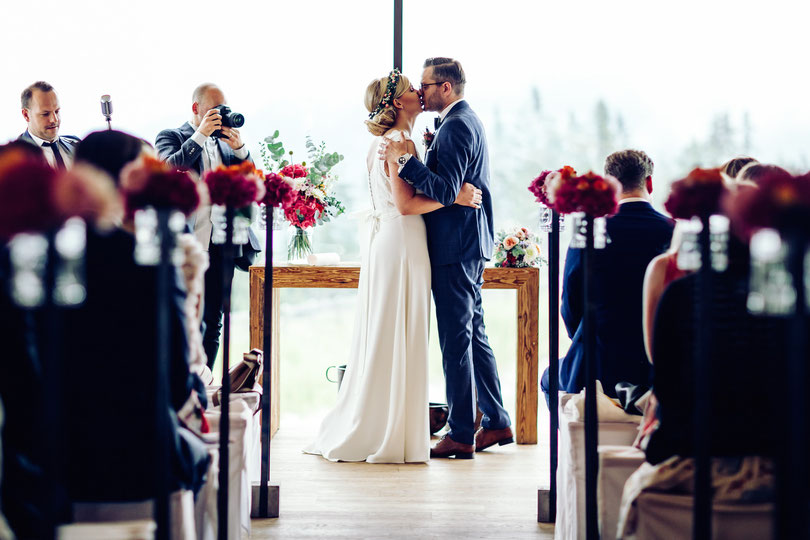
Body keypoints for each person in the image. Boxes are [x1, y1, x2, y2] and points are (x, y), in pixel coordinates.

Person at [304, 69, 482, 463]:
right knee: (401, 330)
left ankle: (385, 419)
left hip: (391, 241)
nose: (419, 92)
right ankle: (390, 429)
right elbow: (404, 205)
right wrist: (457, 198)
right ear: (399, 102)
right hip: (403, 241)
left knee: (389, 330)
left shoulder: (386, 143)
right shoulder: (399, 143)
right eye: (411, 90)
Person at [63, 130, 210, 501]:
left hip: (45, 462)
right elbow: (177, 386)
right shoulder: (150, 262)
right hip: (137, 461)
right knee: (200, 453)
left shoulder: (40, 257)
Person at [380, 58, 512, 459]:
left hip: (456, 246)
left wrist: (406, 162)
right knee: (474, 334)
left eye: (426, 85)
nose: (420, 91)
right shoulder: (463, 120)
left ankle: (460, 433)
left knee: (456, 340)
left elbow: (445, 188)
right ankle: (496, 421)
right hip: (466, 243)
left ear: (446, 89)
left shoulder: (455, 125)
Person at [542, 149, 674, 403]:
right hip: (657, 368)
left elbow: (570, 303)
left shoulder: (590, 231)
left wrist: (586, 336)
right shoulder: (674, 231)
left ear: (608, 186)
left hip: (597, 366)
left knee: (549, 378)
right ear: (649, 183)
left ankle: (574, 441)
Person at [155, 83, 261, 370]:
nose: (221, 116)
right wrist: (200, 135)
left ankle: (205, 384)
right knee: (181, 316)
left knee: (213, 320)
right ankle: (182, 386)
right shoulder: (171, 136)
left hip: (222, 242)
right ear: (196, 109)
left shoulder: (226, 143)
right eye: (215, 111)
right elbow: (167, 169)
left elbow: (250, 180)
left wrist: (240, 149)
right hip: (185, 243)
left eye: (224, 109)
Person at [17, 81, 80, 170]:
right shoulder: (13, 157)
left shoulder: (77, 144)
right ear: (26, 115)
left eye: (57, 111)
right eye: (45, 114)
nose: (54, 120)